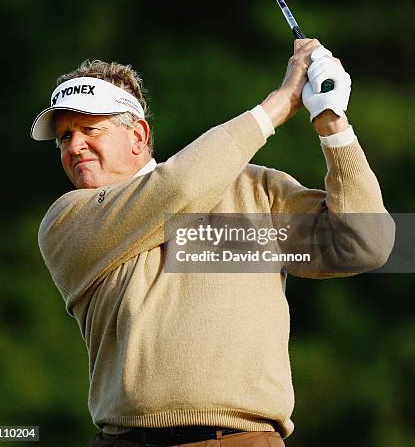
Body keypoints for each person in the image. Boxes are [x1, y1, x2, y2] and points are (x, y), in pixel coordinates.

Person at [30, 39, 394, 447]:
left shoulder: (254, 191)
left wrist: (332, 122)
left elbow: (365, 243)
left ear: (138, 135)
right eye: (64, 137)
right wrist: (280, 103)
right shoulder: (67, 219)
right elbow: (178, 187)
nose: (74, 146)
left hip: (244, 439)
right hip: (125, 440)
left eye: (89, 129)